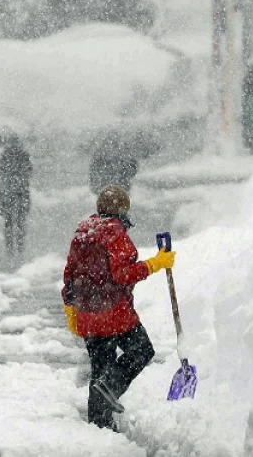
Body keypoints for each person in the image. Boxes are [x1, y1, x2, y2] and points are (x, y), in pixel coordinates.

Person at [61, 184, 175, 430]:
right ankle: (111, 386)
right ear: (123, 210)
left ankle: (99, 427)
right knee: (142, 351)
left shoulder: (82, 234)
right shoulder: (115, 234)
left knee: (100, 369)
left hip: (87, 315)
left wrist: (70, 307)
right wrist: (155, 263)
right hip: (113, 314)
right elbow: (123, 274)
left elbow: (69, 274)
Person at [0, 140, 33, 254]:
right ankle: (20, 245)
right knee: (20, 220)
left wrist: (8, 179)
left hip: (8, 191)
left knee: (8, 220)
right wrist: (20, 178)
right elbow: (29, 171)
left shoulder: (5, 155)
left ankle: (9, 246)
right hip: (21, 190)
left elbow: (0, 172)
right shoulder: (23, 154)